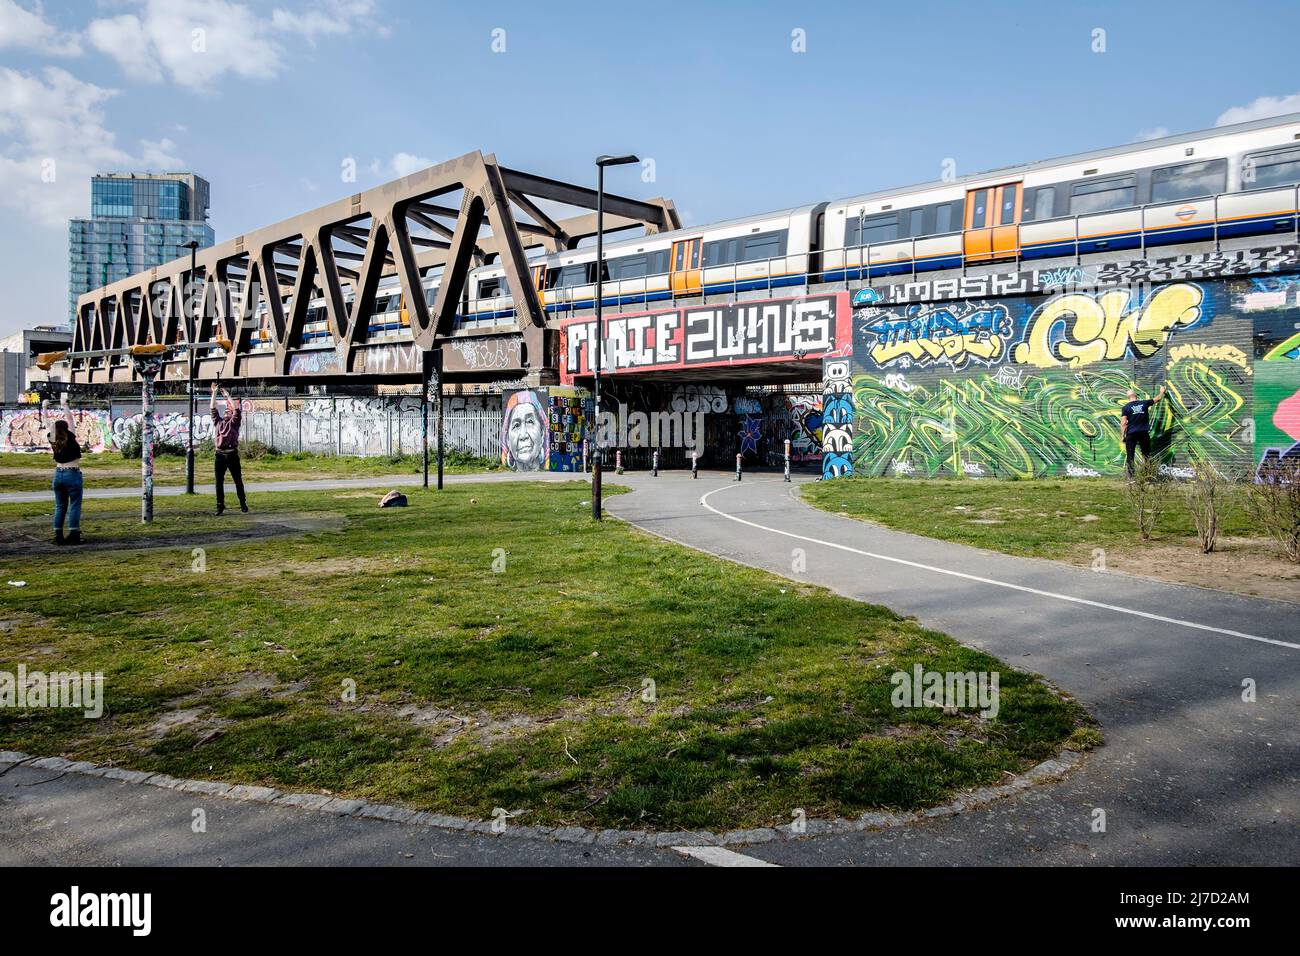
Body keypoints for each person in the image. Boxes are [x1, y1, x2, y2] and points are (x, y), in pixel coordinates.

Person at [211, 384, 248, 514]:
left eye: (229, 411)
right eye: (225, 411)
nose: (227, 412)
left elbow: (236, 409)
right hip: (219, 456)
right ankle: (220, 506)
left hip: (232, 455)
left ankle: (243, 503)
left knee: (238, 480)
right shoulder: (218, 422)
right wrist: (214, 393)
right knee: (218, 482)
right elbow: (213, 408)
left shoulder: (234, 423)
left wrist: (228, 397)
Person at [49, 413, 83, 545]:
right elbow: (70, 419)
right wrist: (65, 405)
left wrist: (45, 408)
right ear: (67, 428)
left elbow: (47, 424)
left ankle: (58, 536)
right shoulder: (71, 437)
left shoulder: (52, 439)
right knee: (74, 505)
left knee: (60, 506)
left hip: (58, 474)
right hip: (72, 473)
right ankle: (74, 534)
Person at [1120, 383, 1167, 478]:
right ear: (1136, 395)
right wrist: (1162, 392)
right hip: (1143, 433)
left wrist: (1122, 436)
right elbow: (1158, 399)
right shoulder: (1144, 403)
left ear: (1128, 397)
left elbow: (1123, 423)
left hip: (1131, 433)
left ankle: (1131, 477)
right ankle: (1147, 474)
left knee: (1130, 455)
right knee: (1146, 454)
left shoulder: (1125, 408)